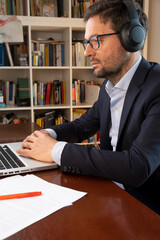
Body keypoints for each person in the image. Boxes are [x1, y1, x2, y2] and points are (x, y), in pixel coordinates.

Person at [17, 0, 160, 214]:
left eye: (95, 41)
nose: (86, 53)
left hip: (145, 209)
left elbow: (137, 166)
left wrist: (55, 150)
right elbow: (81, 127)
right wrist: (44, 135)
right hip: (110, 192)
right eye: (87, 43)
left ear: (131, 38)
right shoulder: (110, 86)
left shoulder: (157, 87)